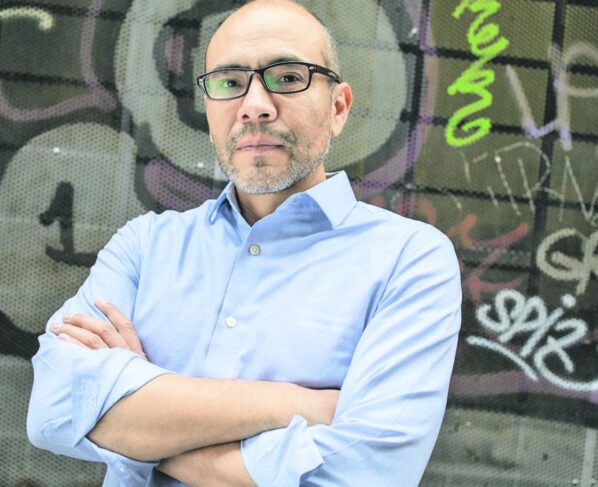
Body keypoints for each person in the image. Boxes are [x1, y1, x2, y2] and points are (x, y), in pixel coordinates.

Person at [27, 0, 462, 485]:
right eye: (230, 83)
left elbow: (362, 476)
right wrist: (293, 405)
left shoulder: (409, 260)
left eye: (288, 77)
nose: (255, 105)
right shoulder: (145, 247)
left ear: (337, 108)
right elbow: (50, 411)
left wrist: (138, 428)